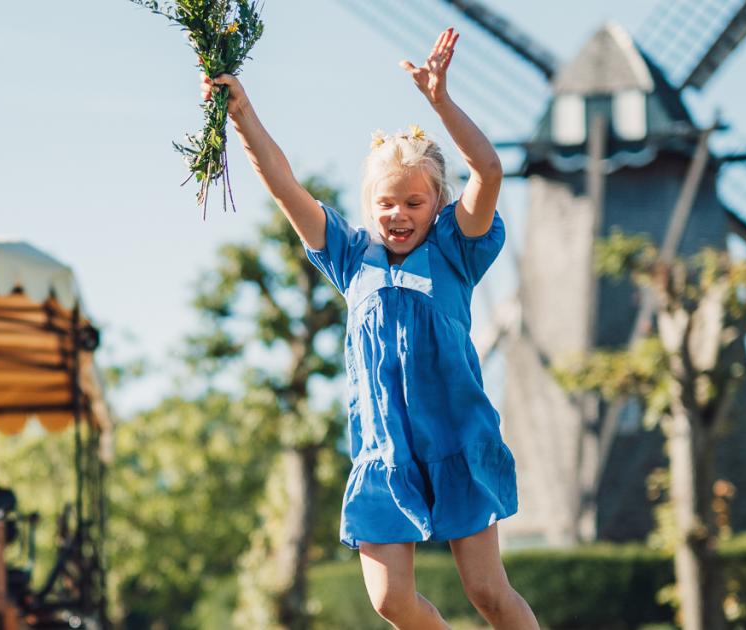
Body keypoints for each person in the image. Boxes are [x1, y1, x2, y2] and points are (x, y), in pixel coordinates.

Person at [205, 28, 538, 629]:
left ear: (436, 204)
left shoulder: (456, 250)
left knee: (488, 592)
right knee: (390, 602)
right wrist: (244, 115)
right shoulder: (348, 256)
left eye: (414, 202)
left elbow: (487, 170)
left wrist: (440, 101)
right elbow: (282, 181)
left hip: (458, 440)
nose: (399, 214)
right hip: (384, 451)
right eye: (387, 202)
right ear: (369, 205)